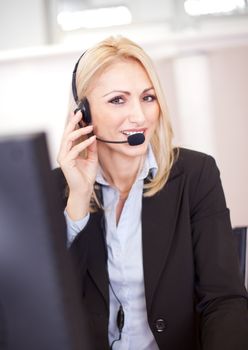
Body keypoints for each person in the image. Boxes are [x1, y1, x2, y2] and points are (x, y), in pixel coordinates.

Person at [55, 36, 248, 350]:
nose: (140, 116)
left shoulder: (194, 175)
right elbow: (46, 309)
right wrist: (77, 199)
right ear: (83, 114)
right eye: (118, 100)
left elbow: (224, 300)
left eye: (148, 97)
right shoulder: (57, 188)